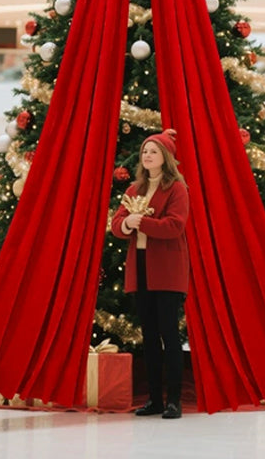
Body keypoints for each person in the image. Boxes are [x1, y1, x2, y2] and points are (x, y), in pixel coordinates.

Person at [112, 129, 189, 420]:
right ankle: (155, 400)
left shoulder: (177, 189)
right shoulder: (134, 190)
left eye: (153, 151)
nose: (147, 155)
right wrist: (127, 223)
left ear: (165, 157)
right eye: (145, 151)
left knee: (169, 334)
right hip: (140, 266)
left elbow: (175, 226)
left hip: (167, 269)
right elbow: (117, 224)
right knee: (149, 336)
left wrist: (140, 222)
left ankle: (174, 401)